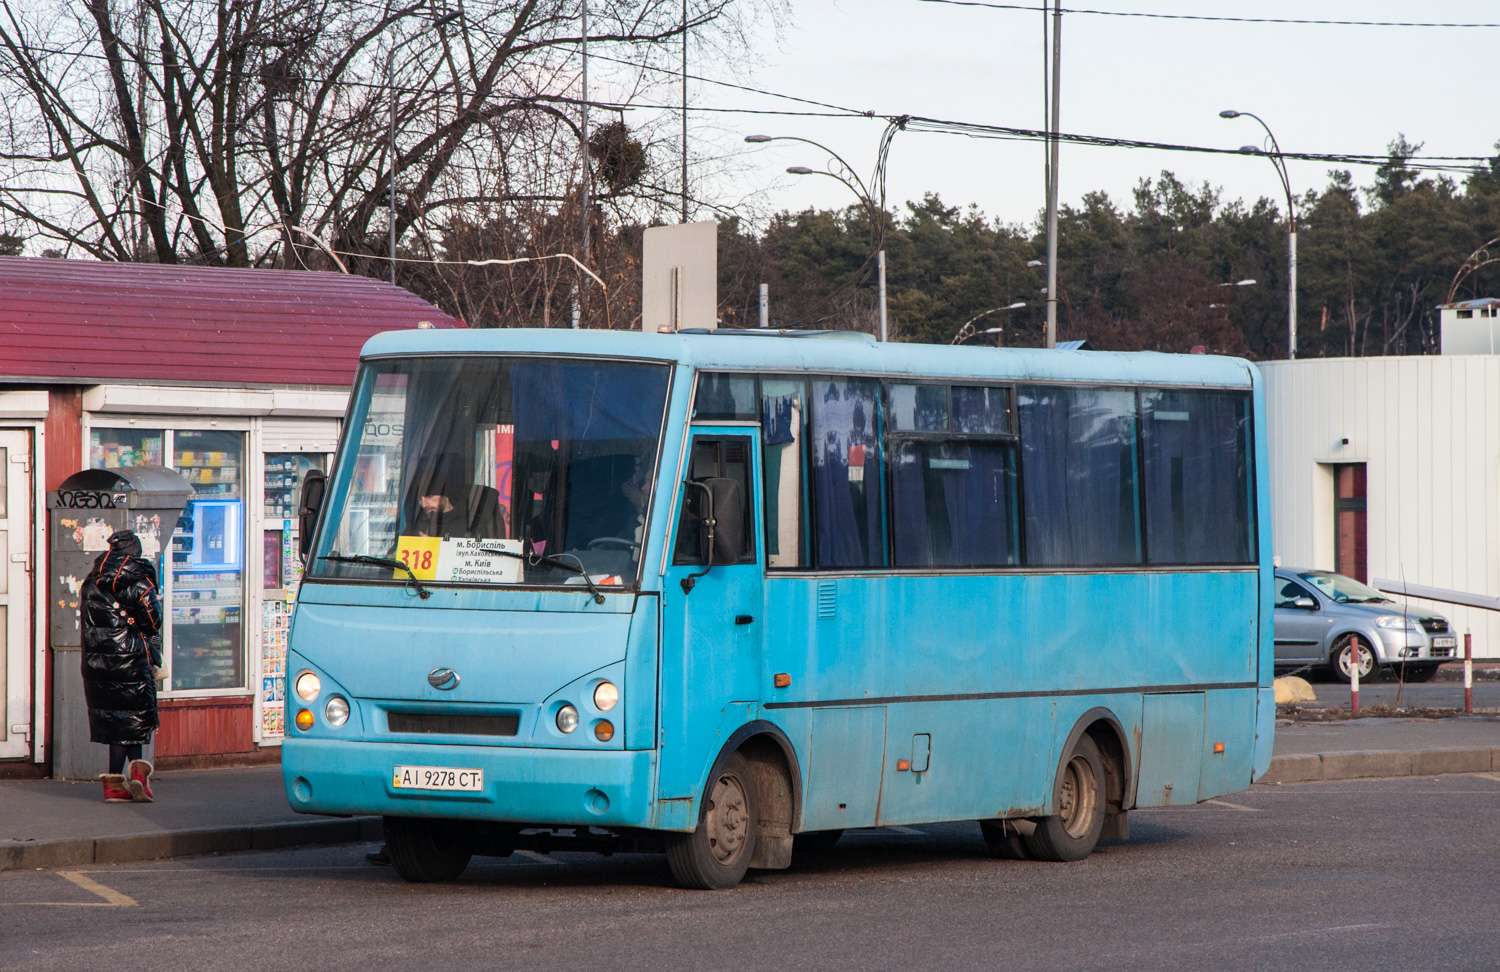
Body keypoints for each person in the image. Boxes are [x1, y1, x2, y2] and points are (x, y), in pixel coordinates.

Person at [79, 529, 163, 803]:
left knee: (118, 720)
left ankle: (115, 785)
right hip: (130, 657)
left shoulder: (92, 581)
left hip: (97, 661)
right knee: (133, 717)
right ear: (135, 552)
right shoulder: (139, 581)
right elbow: (153, 621)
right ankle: (138, 776)